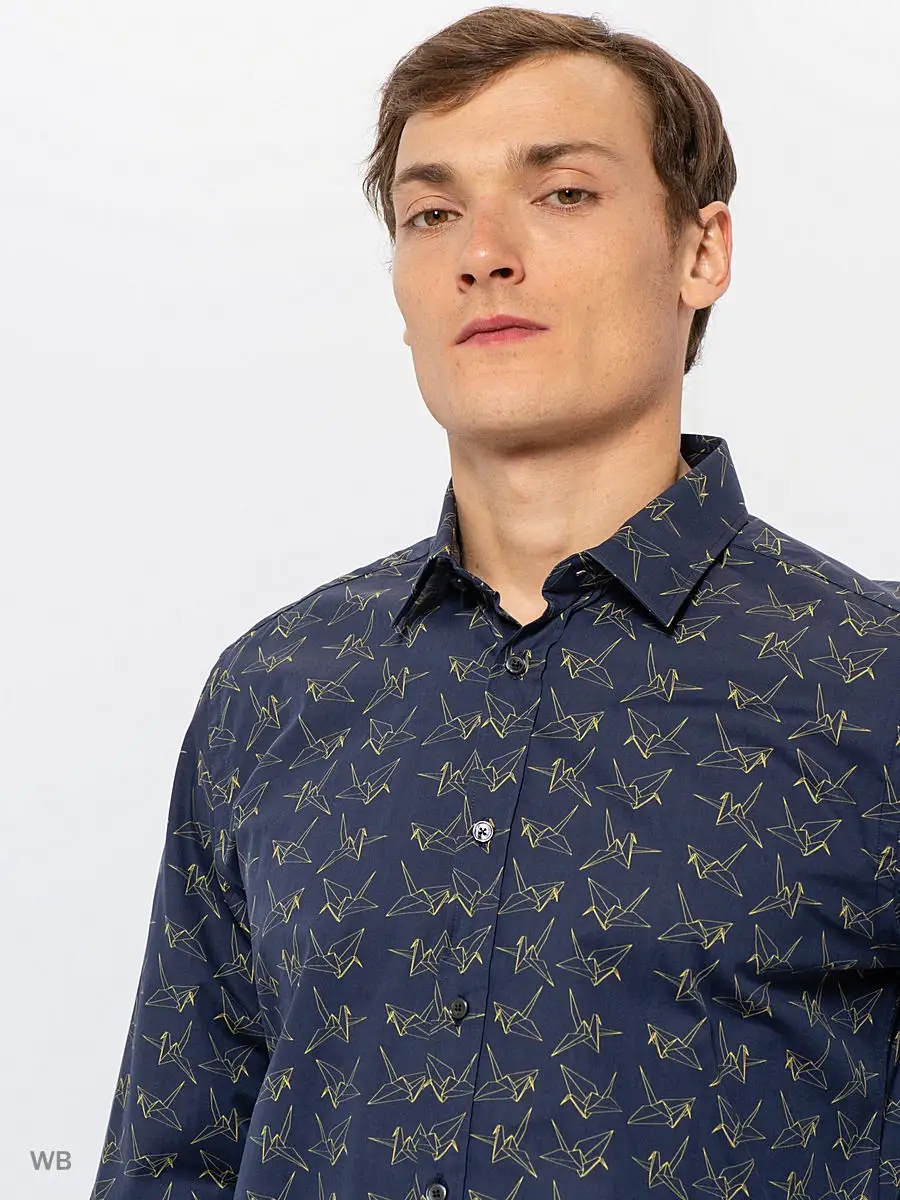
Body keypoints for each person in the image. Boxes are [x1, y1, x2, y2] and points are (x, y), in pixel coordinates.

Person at [90, 7, 900, 1199]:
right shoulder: (274, 691)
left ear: (701, 251)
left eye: (562, 193)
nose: (483, 252)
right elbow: (172, 1163)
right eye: (431, 214)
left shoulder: (870, 682)